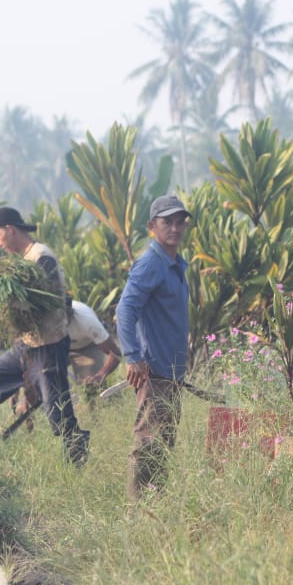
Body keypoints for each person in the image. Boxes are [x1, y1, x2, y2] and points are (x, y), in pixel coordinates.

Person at [0, 206, 90, 465]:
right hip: (25, 346)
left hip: (48, 347)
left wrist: (10, 303)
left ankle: (77, 465)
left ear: (11, 230)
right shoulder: (23, 259)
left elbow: (39, 301)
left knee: (58, 415)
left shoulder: (42, 257)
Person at [115, 194, 191, 500]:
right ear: (152, 226)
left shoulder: (174, 264)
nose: (174, 228)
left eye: (179, 222)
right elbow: (125, 310)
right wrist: (133, 357)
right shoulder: (150, 263)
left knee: (164, 442)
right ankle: (138, 511)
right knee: (148, 444)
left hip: (172, 374)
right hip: (155, 371)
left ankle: (156, 505)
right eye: (167, 222)